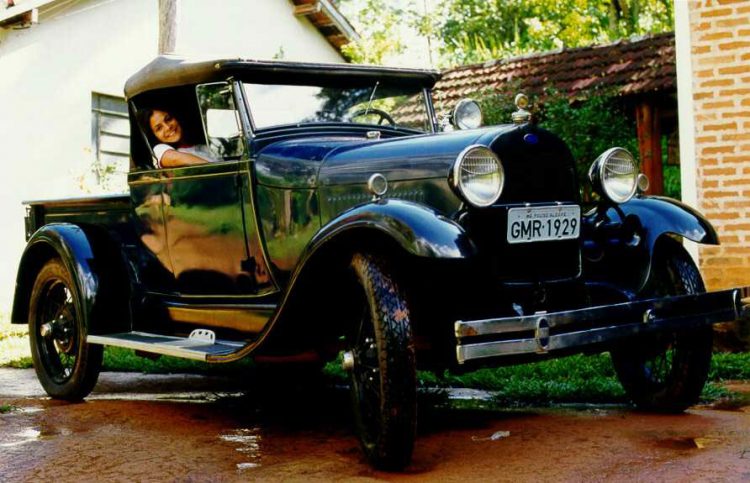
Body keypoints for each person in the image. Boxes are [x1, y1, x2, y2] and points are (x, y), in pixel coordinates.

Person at [139, 108, 213, 169]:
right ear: (153, 135)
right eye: (159, 128)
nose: (168, 127)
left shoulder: (203, 147)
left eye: (168, 119)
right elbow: (174, 159)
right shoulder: (159, 150)